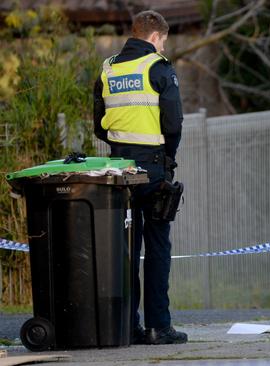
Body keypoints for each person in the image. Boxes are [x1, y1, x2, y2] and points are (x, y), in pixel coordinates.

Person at [93, 10, 186, 345]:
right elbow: (173, 123)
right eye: (163, 40)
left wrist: (123, 147)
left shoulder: (109, 68)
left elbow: (98, 122)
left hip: (117, 171)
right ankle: (159, 327)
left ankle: (126, 327)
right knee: (158, 246)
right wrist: (167, 157)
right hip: (153, 167)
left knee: (124, 250)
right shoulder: (158, 68)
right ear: (155, 37)